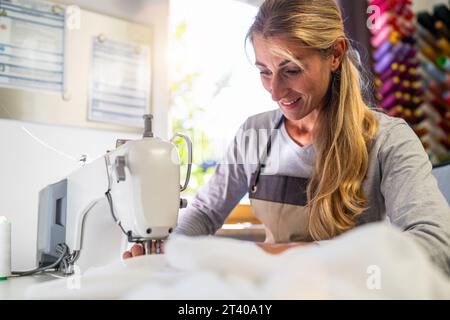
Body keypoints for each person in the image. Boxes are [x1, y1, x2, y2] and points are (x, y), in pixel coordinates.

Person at [123, 0, 450, 276]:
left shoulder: (388, 141)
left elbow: (437, 247)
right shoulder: (254, 135)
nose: (275, 91)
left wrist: (298, 256)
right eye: (264, 71)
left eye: (291, 70)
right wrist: (169, 251)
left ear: (335, 54)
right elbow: (205, 213)